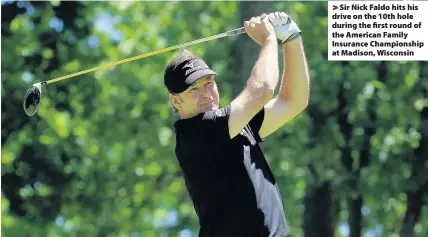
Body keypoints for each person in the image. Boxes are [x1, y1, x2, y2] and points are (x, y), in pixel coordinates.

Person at [163, 11, 310, 237]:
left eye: (209, 83)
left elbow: (293, 101)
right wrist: (269, 39)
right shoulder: (196, 133)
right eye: (193, 89)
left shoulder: (231, 126)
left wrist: (291, 38)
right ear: (175, 100)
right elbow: (262, 89)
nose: (207, 94)